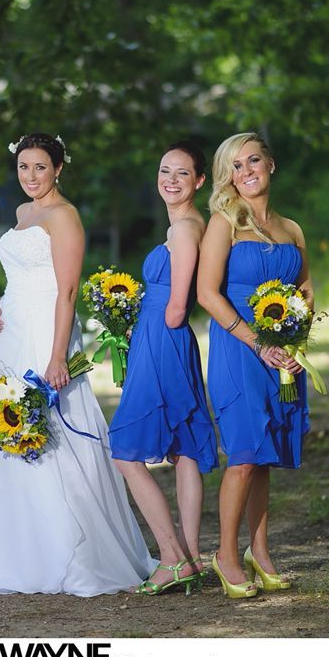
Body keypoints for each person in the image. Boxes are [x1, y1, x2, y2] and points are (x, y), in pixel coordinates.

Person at [0, 133, 155, 595]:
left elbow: (64, 291)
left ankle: (69, 551)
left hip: (48, 334)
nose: (30, 177)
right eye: (23, 167)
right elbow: (24, 277)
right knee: (3, 425)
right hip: (11, 335)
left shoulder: (66, 217)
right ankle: (14, 550)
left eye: (40, 167)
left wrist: (58, 354)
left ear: (58, 168)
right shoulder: (24, 213)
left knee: (53, 429)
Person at [197, 131, 311, 599]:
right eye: (235, 166)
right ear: (228, 177)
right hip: (238, 350)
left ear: (270, 164)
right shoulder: (224, 223)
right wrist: (257, 343)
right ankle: (225, 554)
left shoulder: (292, 229)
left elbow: (304, 292)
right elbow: (207, 293)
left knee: (264, 457)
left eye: (253, 161)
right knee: (243, 456)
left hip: (281, 356)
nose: (246, 172)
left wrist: (295, 346)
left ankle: (259, 552)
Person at [108, 141, 218, 595]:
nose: (170, 179)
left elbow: (176, 308)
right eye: (164, 171)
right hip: (166, 341)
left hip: (162, 339)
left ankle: (171, 556)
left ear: (199, 181)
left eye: (181, 173)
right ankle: (189, 558)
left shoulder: (185, 230)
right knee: (185, 449)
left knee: (125, 453)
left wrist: (146, 326)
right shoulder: (189, 224)